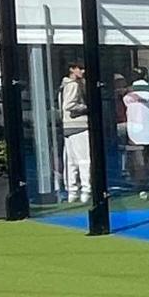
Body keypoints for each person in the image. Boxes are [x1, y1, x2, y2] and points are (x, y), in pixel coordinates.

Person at [59, 62, 92, 204]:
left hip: (68, 126)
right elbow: (69, 105)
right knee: (84, 159)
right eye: (80, 68)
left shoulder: (64, 86)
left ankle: (72, 191)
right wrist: (86, 107)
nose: (83, 71)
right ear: (72, 69)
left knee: (71, 161)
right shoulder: (73, 85)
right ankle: (86, 189)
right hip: (79, 126)